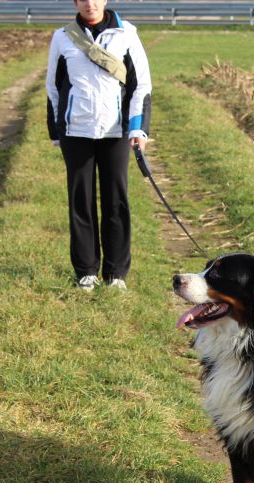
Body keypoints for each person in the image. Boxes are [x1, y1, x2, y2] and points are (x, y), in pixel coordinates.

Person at [46, 0, 151, 291]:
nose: (90, 4)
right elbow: (53, 87)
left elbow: (140, 85)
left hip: (115, 131)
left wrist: (138, 128)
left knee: (116, 201)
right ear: (75, 2)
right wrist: (57, 131)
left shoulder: (126, 33)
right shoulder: (62, 37)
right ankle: (86, 271)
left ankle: (116, 273)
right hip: (76, 131)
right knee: (81, 202)